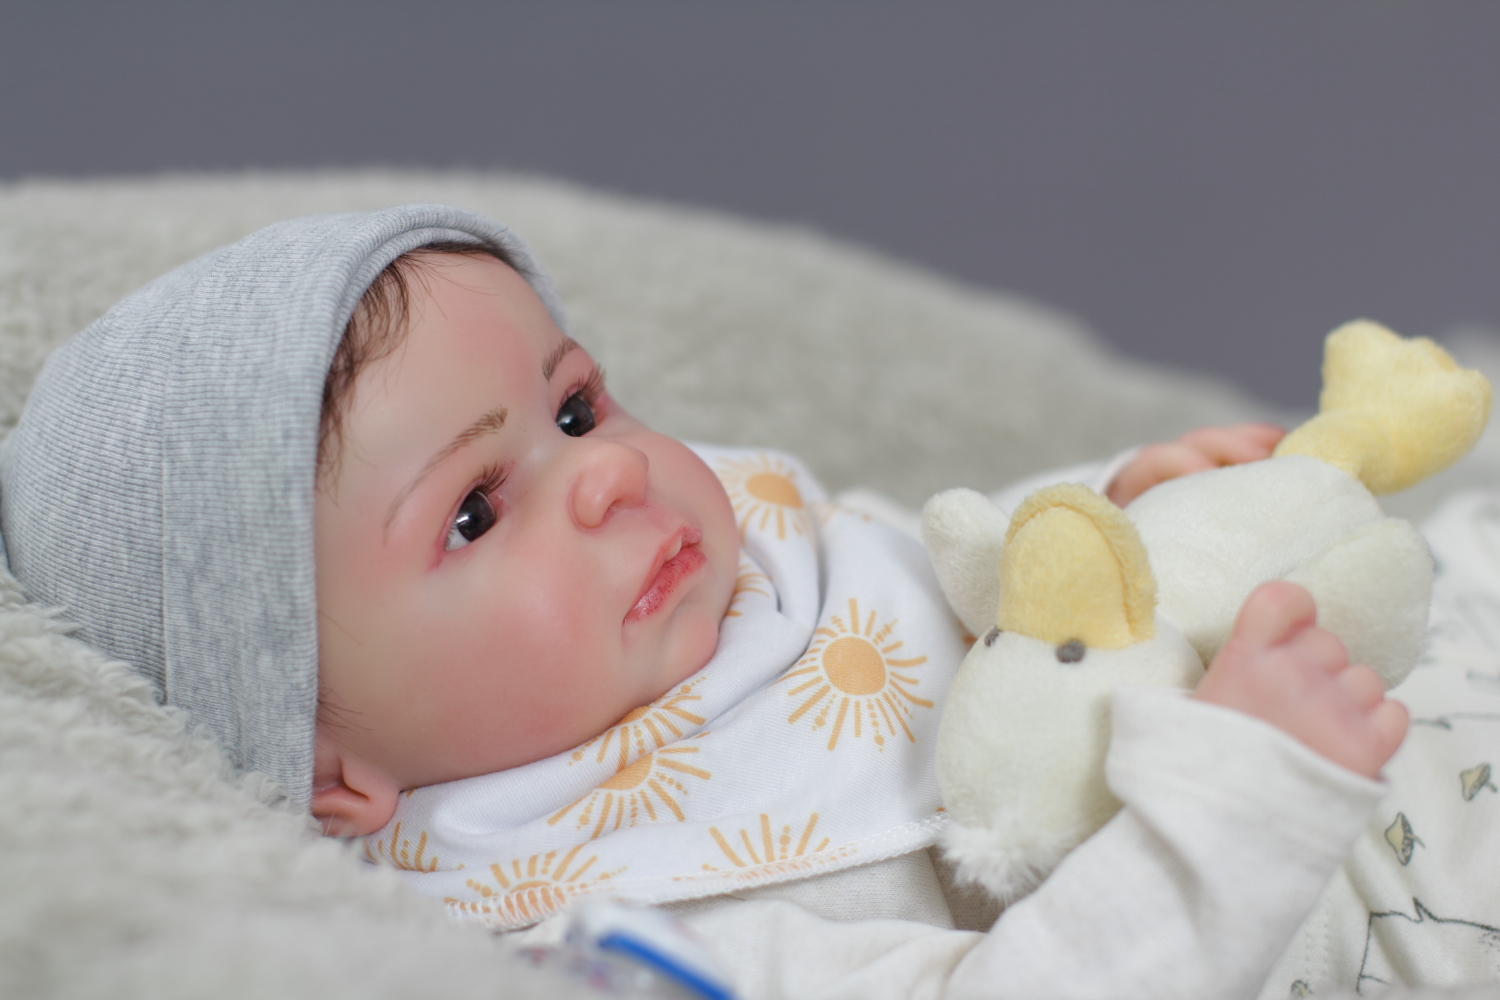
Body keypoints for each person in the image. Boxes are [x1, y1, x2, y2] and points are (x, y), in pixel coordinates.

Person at [0, 206, 1423, 998]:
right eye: (475, 511)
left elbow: (942, 576)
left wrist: (1117, 507)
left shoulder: (734, 561)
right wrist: (1242, 793)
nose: (607, 472)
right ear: (330, 766)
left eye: (574, 407)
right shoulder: (617, 911)